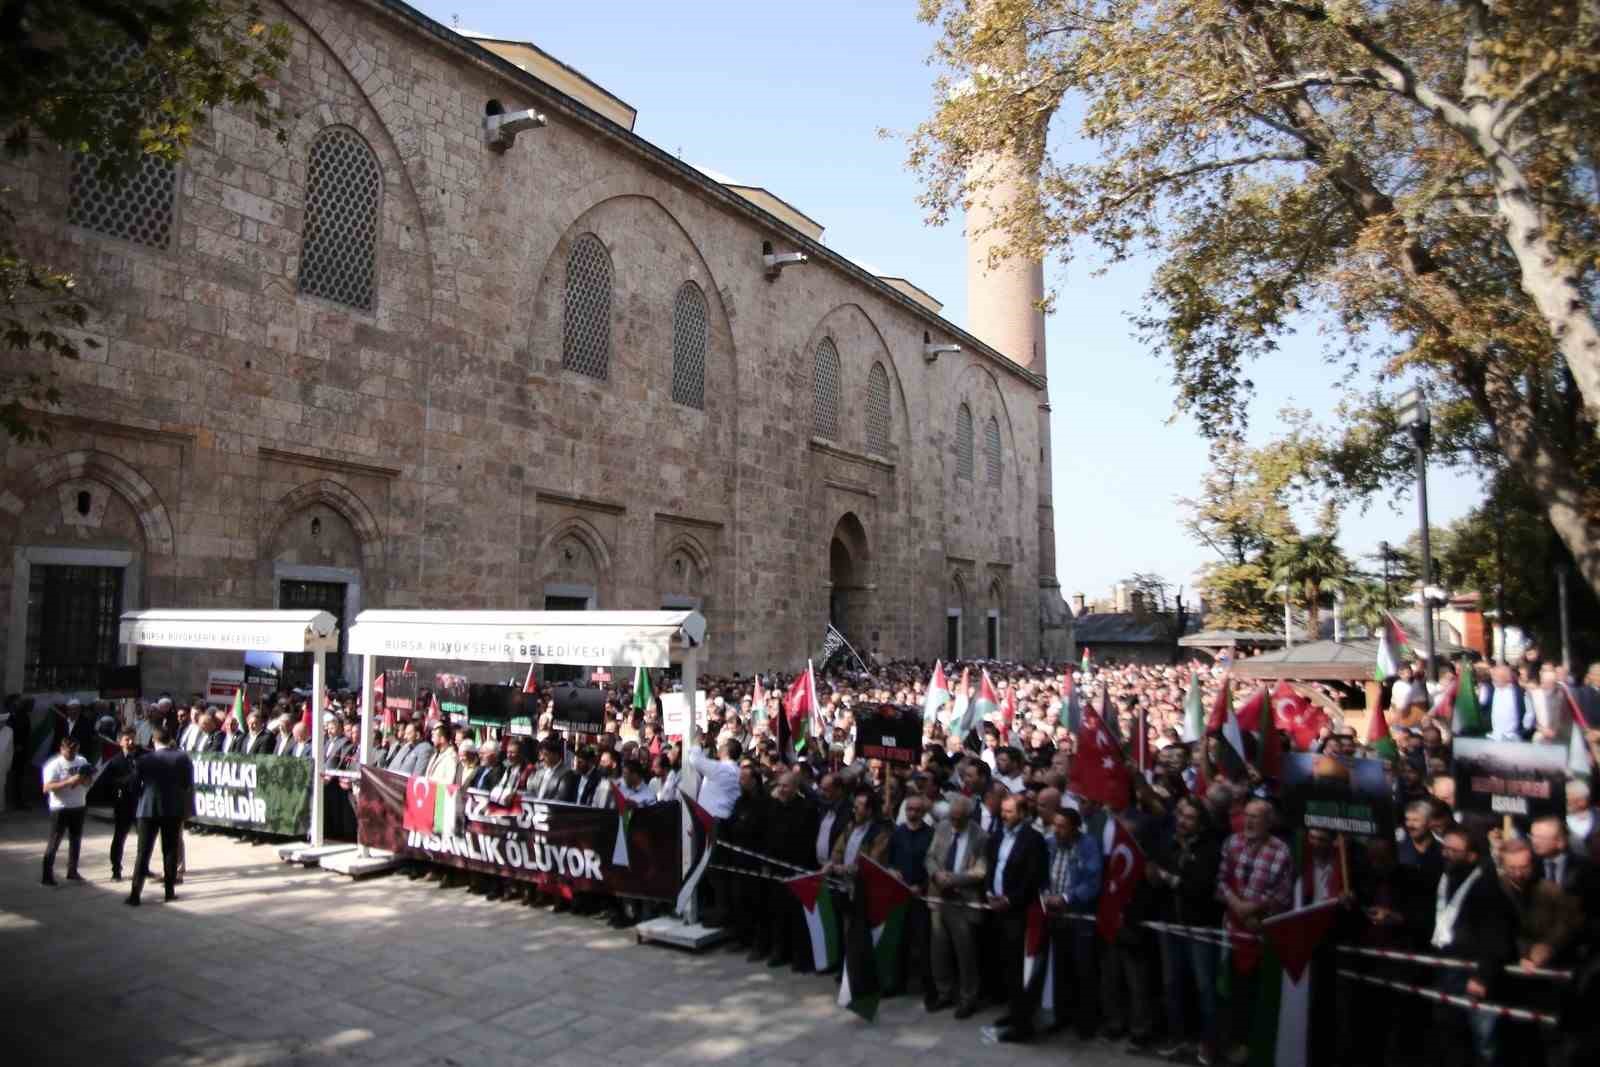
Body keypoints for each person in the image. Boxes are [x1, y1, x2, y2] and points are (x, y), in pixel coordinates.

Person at [1430, 828, 1517, 1065]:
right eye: (1444, 848)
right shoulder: (1446, 876)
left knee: (1484, 1041)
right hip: (1447, 967)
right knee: (1450, 1035)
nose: (1446, 854)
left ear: (1471, 856)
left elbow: (1498, 934)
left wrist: (1482, 975)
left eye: (1454, 850)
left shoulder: (1487, 886)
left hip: (1474, 973)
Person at [1150, 795, 1223, 1064]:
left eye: (1190, 817)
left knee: (1205, 987)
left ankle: (1209, 1043)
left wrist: (1169, 878)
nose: (1182, 821)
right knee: (1172, 985)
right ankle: (1177, 1038)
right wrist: (1156, 877)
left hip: (1199, 926)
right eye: (1181, 816)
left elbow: (1200, 887)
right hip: (1169, 923)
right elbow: (1159, 872)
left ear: (1201, 823)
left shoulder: (1210, 848)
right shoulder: (1169, 843)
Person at [984, 793, 1049, 1045]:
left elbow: (1032, 878)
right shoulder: (998, 836)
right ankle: (1013, 1012)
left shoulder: (1033, 840)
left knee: (1018, 969)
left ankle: (1023, 1024)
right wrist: (990, 891)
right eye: (1003, 811)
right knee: (1006, 967)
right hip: (998, 909)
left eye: (1009, 811)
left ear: (1022, 813)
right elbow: (993, 866)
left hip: (1019, 913)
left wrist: (1010, 900)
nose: (1004, 815)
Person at [1043, 806, 1104, 1042]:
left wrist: (1067, 898)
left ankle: (1085, 1022)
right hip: (1054, 916)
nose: (1057, 831)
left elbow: (1092, 881)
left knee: (1083, 970)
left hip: (1078, 916)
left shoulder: (1088, 846)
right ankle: (1061, 1016)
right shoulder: (1050, 844)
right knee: (1060, 968)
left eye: (1062, 827)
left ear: (1075, 828)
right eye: (1055, 825)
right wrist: (1046, 894)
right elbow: (1043, 872)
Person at [926, 794, 989, 1019]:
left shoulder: (980, 837)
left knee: (966, 953)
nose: (954, 822)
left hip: (963, 902)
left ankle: (968, 998)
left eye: (958, 818)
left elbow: (980, 871)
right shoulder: (942, 828)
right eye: (952, 816)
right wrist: (936, 874)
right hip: (939, 897)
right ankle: (944, 992)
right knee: (939, 950)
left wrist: (954, 879)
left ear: (968, 817)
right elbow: (930, 856)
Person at [126, 727, 194, 906]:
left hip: (147, 809)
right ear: (171, 739)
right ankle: (169, 892)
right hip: (172, 809)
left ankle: (135, 893)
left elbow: (134, 786)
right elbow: (187, 783)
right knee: (170, 851)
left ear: (154, 741)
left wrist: (143, 796)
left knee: (143, 852)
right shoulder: (182, 757)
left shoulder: (144, 759)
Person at [40, 737, 91, 885]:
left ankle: (72, 871)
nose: (73, 753)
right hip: (60, 808)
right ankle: (47, 875)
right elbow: (47, 788)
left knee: (75, 840)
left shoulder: (82, 761)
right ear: (62, 749)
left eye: (76, 749)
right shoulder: (54, 765)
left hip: (79, 805)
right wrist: (69, 781)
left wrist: (84, 780)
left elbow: (89, 780)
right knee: (55, 841)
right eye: (70, 750)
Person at [102, 728, 144, 880]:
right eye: (127, 739)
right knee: (120, 837)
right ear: (120, 742)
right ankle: (116, 869)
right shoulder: (115, 761)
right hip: (123, 803)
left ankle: (142, 868)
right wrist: (128, 779)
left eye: (133, 739)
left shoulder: (142, 757)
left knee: (144, 838)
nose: (131, 742)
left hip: (141, 803)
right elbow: (109, 783)